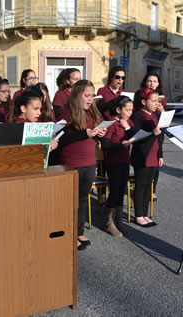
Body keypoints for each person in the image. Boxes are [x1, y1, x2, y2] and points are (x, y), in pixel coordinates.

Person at [57, 80, 106, 250]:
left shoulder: (92, 111)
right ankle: (69, 234)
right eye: (87, 95)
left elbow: (93, 133)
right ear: (77, 95)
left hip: (89, 162)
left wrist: (100, 133)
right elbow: (60, 139)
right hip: (71, 163)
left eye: (92, 95)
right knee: (70, 201)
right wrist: (84, 134)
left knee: (83, 198)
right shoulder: (66, 111)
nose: (90, 99)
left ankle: (78, 231)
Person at [100, 95, 135, 237]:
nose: (130, 112)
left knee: (121, 190)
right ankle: (109, 222)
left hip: (125, 161)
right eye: (127, 109)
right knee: (114, 191)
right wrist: (120, 145)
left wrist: (127, 127)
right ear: (118, 109)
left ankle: (118, 220)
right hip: (113, 162)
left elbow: (134, 135)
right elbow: (106, 146)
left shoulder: (129, 123)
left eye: (131, 110)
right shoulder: (110, 124)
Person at [130, 88, 164, 227]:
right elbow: (138, 138)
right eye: (153, 101)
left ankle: (145, 213)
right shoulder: (138, 116)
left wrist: (161, 154)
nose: (157, 104)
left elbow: (160, 137)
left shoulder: (155, 115)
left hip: (154, 155)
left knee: (149, 186)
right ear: (144, 101)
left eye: (158, 101)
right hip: (142, 155)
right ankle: (138, 215)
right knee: (140, 186)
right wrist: (153, 133)